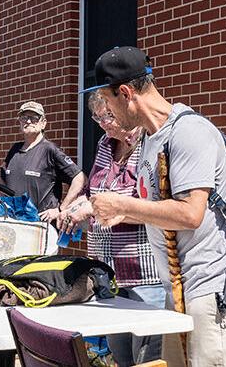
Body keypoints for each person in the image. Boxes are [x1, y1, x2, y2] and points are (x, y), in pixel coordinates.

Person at [87, 47, 226, 367]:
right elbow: (157, 209)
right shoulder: (150, 139)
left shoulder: (189, 131)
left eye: (107, 102)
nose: (106, 113)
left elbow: (191, 213)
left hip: (210, 293)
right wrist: (123, 211)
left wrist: (123, 203)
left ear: (125, 93)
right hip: (176, 293)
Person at [57, 92, 165, 366]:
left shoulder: (149, 145)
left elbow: (150, 203)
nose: (103, 123)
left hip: (144, 272)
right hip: (108, 270)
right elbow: (95, 191)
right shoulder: (105, 145)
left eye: (109, 115)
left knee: (147, 358)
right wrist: (76, 206)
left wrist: (94, 208)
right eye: (98, 117)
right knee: (120, 355)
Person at [0, 101, 86, 222]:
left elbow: (80, 179)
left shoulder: (49, 150)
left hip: (41, 228)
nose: (28, 121)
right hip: (14, 224)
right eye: (24, 118)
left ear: (43, 123)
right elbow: (3, 181)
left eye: (34, 118)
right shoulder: (14, 150)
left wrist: (60, 210)